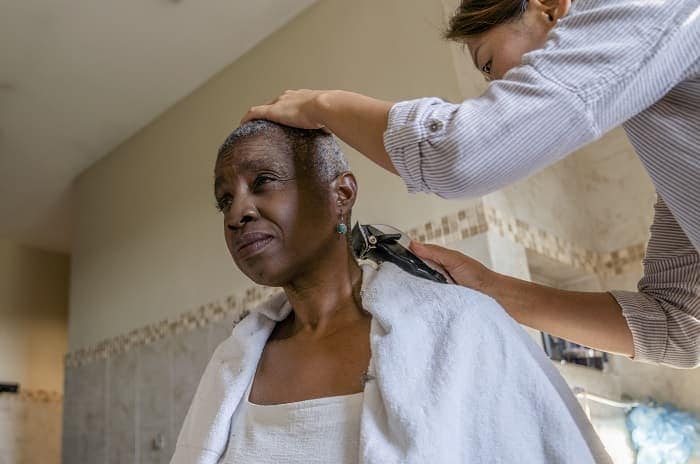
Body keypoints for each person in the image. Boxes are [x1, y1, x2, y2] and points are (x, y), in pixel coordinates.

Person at [240, 0, 700, 368]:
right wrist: (493, 289)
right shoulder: (676, 150)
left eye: (490, 64)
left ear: (550, 6)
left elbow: (463, 153)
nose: (498, 87)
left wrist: (324, 104)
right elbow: (679, 326)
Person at [170, 120, 611, 463]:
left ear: (341, 194)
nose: (237, 213)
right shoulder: (235, 363)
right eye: (224, 200)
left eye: (263, 181)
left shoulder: (460, 326)